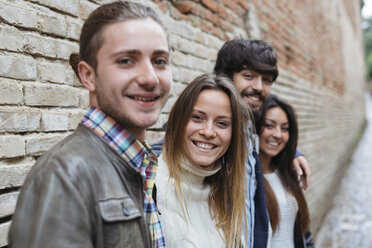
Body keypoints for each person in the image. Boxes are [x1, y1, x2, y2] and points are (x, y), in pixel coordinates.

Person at [8, 1, 171, 247]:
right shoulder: (63, 175)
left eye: (159, 61)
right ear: (88, 75)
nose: (150, 78)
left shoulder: (141, 163)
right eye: (126, 60)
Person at [213, 39, 311, 248]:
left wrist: (292, 152)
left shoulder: (251, 121)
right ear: (227, 77)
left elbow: (276, 124)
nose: (258, 87)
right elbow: (175, 137)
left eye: (266, 80)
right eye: (248, 76)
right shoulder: (213, 123)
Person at [155, 73, 250, 247]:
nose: (208, 131)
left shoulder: (224, 196)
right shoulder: (149, 188)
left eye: (222, 123)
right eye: (197, 118)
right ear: (178, 120)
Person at [256, 95, 314, 248]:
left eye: (285, 128)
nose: (277, 134)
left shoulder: (287, 172)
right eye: (269, 125)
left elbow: (304, 233)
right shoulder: (247, 180)